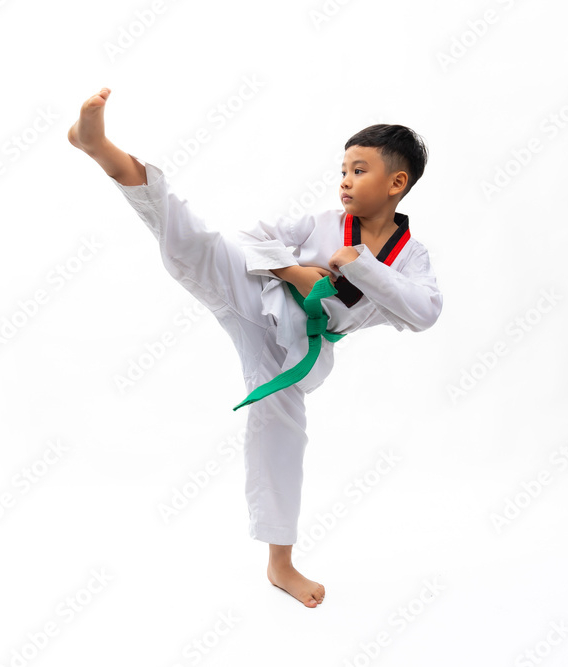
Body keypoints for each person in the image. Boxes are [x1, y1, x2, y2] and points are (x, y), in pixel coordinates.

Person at [67, 87, 443, 608]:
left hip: (294, 350)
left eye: (359, 171)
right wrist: (293, 270)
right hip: (258, 293)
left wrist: (359, 265)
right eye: (343, 169)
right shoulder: (321, 223)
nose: (344, 180)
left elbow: (425, 312)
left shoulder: (411, 257)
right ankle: (100, 147)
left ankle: (279, 564)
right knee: (194, 243)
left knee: (281, 433)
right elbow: (251, 238)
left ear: (396, 183)